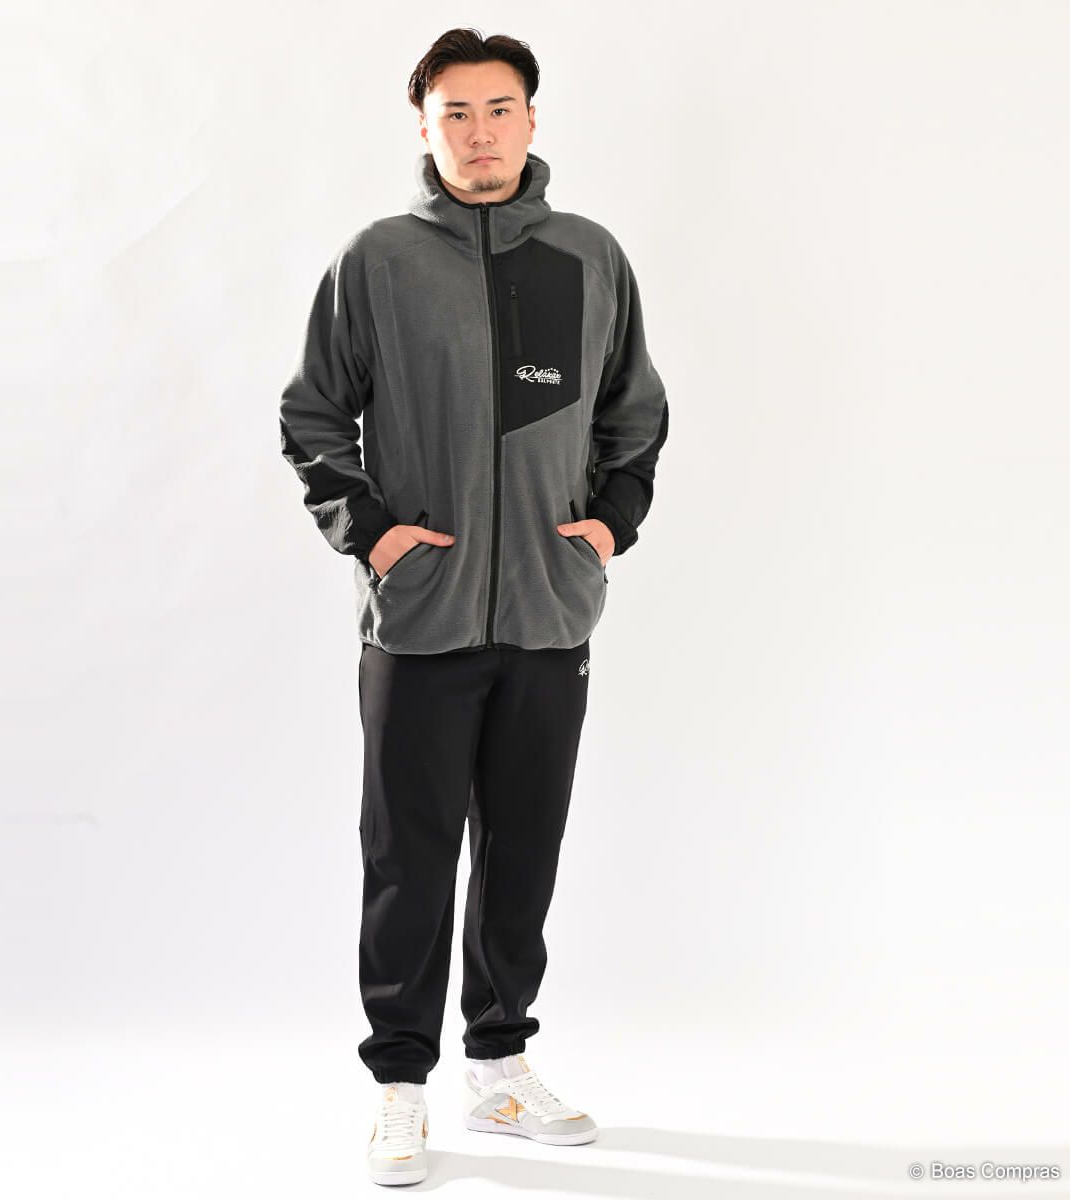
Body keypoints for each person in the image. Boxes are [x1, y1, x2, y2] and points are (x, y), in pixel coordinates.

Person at [280, 27, 669, 1187]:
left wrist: (609, 525)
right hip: (422, 617)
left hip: (550, 614)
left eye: (500, 109)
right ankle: (400, 1086)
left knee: (522, 850)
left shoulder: (589, 258)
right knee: (407, 856)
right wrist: (375, 537)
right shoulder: (380, 261)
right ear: (425, 126)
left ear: (533, 120)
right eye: (457, 112)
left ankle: (499, 1066)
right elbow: (313, 414)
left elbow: (634, 413)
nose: (481, 132)